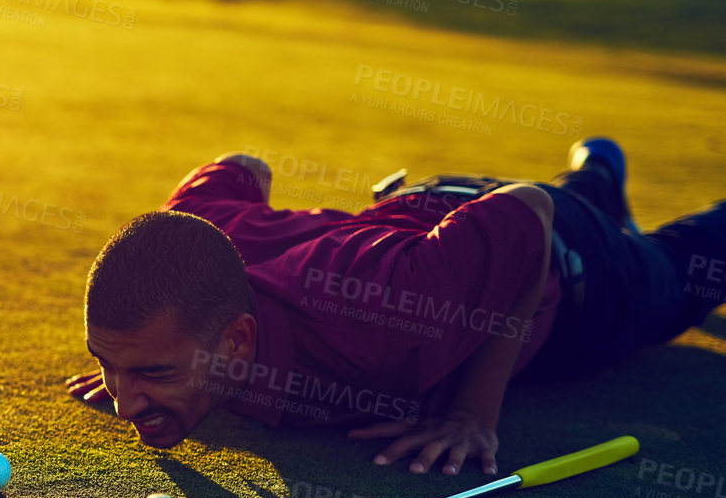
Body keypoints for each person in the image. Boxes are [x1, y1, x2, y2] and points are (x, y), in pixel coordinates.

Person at [64, 139, 726, 476]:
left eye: (151, 374)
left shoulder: (377, 313)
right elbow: (241, 166)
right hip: (444, 220)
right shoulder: (194, 237)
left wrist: (472, 412)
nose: (124, 404)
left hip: (572, 267)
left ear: (236, 341)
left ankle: (599, 186)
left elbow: (526, 212)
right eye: (113, 367)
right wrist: (141, 364)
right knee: (584, 198)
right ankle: (598, 167)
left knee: (683, 269)